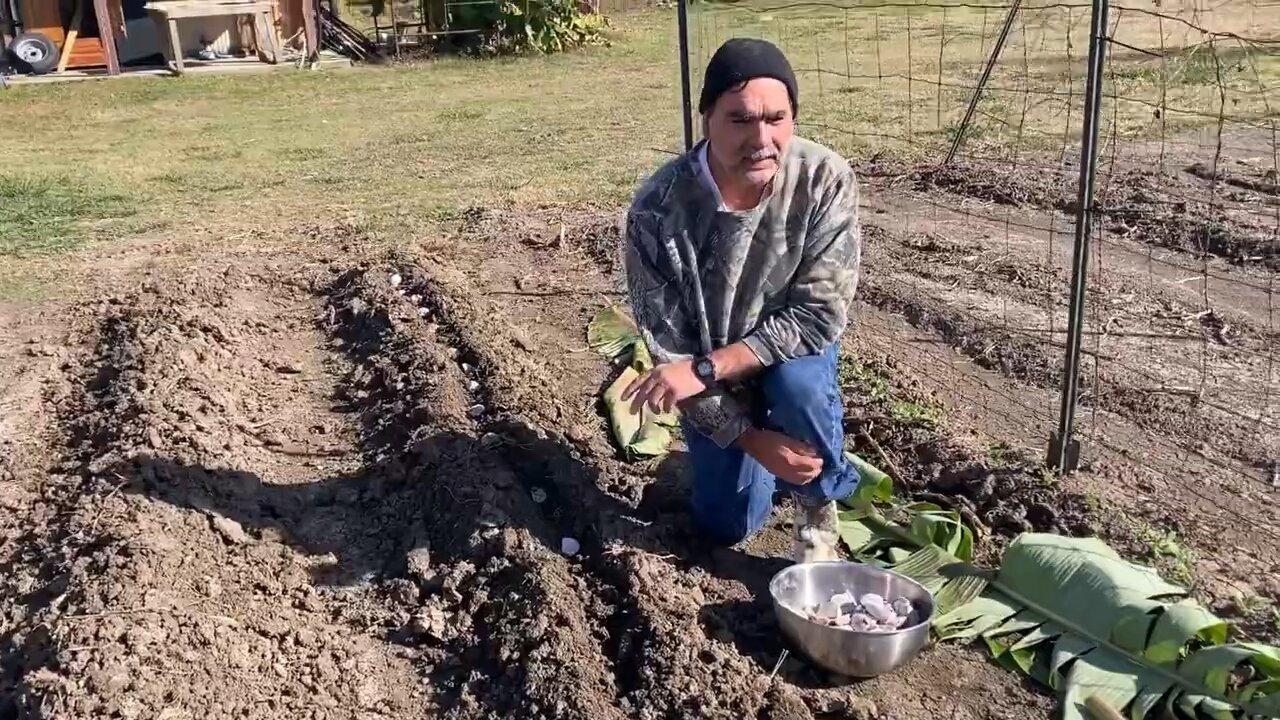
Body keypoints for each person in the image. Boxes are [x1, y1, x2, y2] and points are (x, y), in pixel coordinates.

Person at [621, 37, 863, 563]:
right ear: (706, 117)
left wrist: (708, 367)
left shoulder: (823, 180)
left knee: (799, 385)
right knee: (727, 527)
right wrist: (753, 441)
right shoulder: (656, 213)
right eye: (740, 119)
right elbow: (671, 356)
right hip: (712, 379)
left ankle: (819, 509)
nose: (762, 138)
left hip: (787, 353)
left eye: (777, 118)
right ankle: (756, 456)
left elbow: (819, 315)